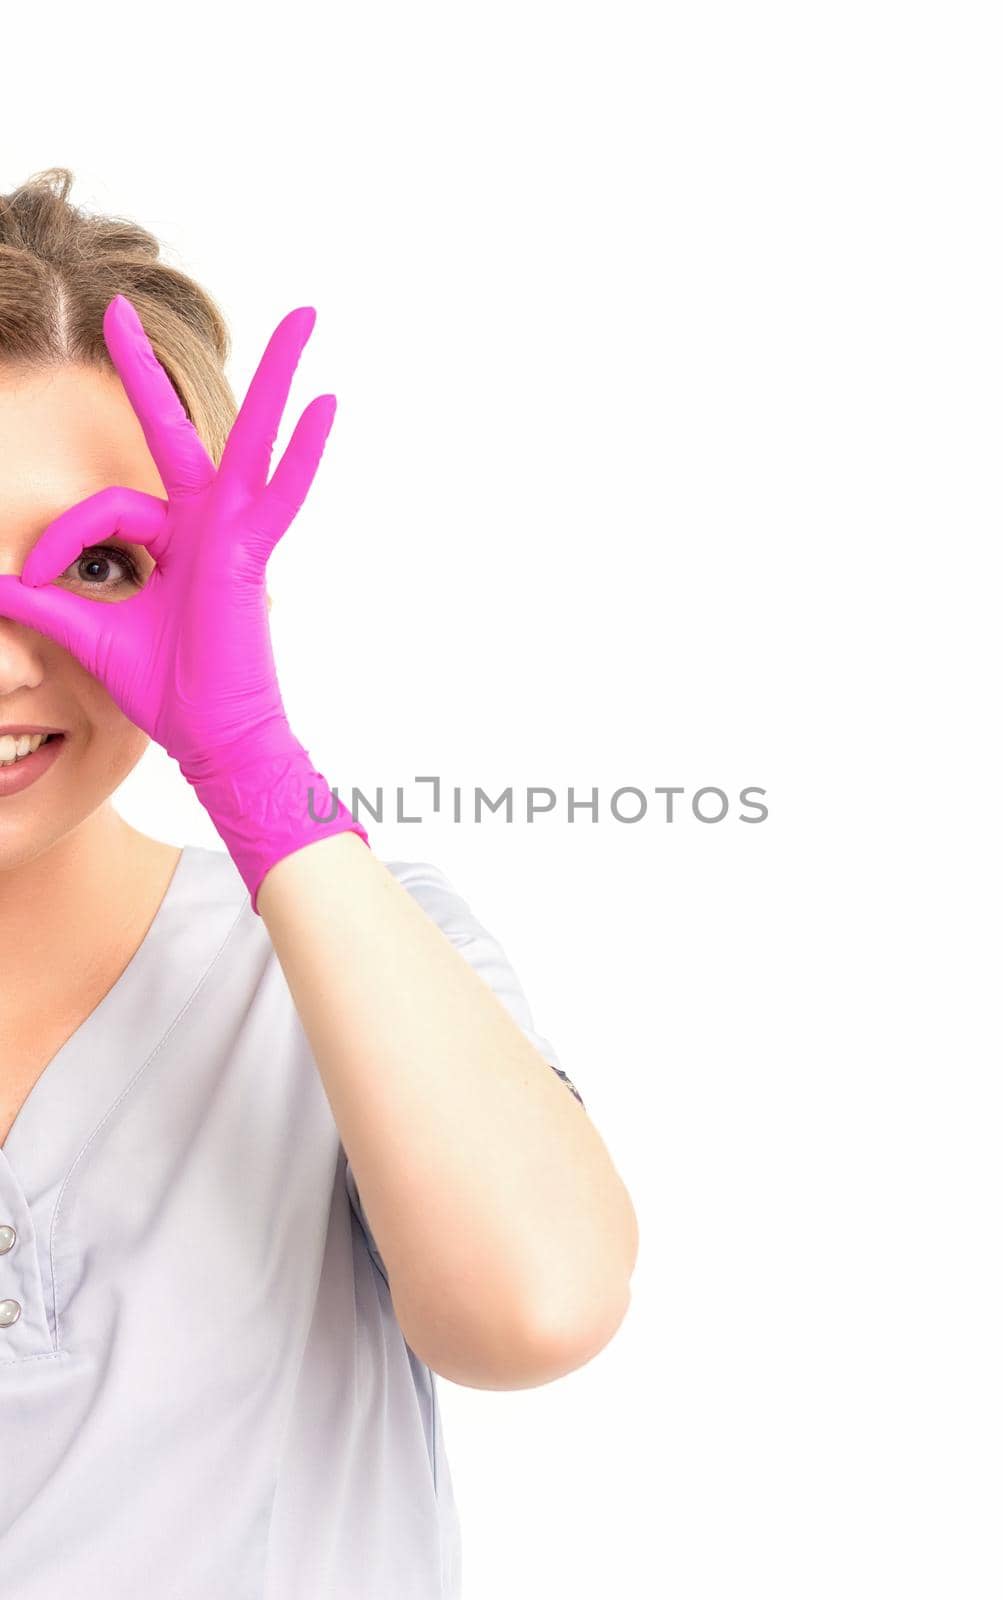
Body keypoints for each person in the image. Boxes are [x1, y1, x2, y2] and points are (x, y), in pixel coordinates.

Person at [0, 168, 638, 1598]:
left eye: (98, 563)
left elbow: (536, 1310)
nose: (7, 657)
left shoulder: (343, 959)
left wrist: (250, 761)